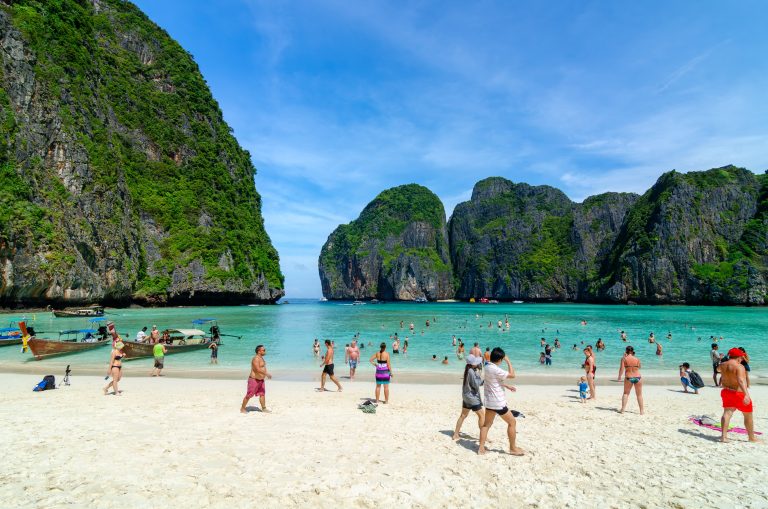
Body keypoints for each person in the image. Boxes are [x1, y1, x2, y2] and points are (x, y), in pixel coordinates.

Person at [478, 347, 523, 456]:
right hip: (498, 402)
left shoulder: (487, 366)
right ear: (500, 359)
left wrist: (506, 385)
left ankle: (481, 448)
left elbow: (493, 381)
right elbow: (512, 375)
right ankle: (513, 448)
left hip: (489, 402)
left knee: (486, 425)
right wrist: (508, 361)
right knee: (512, 422)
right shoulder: (496, 369)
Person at [719, 348, 758, 443]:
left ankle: (723, 437)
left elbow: (718, 370)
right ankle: (751, 438)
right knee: (748, 415)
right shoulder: (739, 366)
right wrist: (746, 394)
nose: (742, 358)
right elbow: (741, 380)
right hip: (738, 393)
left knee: (727, 413)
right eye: (742, 356)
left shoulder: (722, 365)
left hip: (726, 391)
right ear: (739, 357)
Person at [453, 355, 485, 440]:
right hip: (472, 397)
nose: (478, 363)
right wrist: (482, 379)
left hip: (466, 396)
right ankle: (483, 436)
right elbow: (475, 384)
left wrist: (479, 375)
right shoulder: (471, 371)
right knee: (482, 416)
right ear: (473, 363)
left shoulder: (468, 369)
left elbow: (473, 382)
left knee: (463, 415)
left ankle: (456, 434)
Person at [240, 345, 272, 413]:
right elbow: (257, 369)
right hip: (254, 380)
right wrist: (266, 374)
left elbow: (261, 368)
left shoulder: (261, 358)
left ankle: (264, 408)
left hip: (261, 380)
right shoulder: (256, 358)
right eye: (263, 350)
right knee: (249, 395)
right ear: (259, 351)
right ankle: (242, 409)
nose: (265, 351)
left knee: (262, 394)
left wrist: (264, 375)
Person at [619, 346, 644, 414]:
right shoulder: (637, 358)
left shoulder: (624, 359)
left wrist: (619, 376)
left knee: (626, 393)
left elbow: (621, 369)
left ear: (626, 351)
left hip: (629, 377)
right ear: (632, 351)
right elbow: (640, 367)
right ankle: (641, 411)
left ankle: (623, 409)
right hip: (638, 377)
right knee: (639, 395)